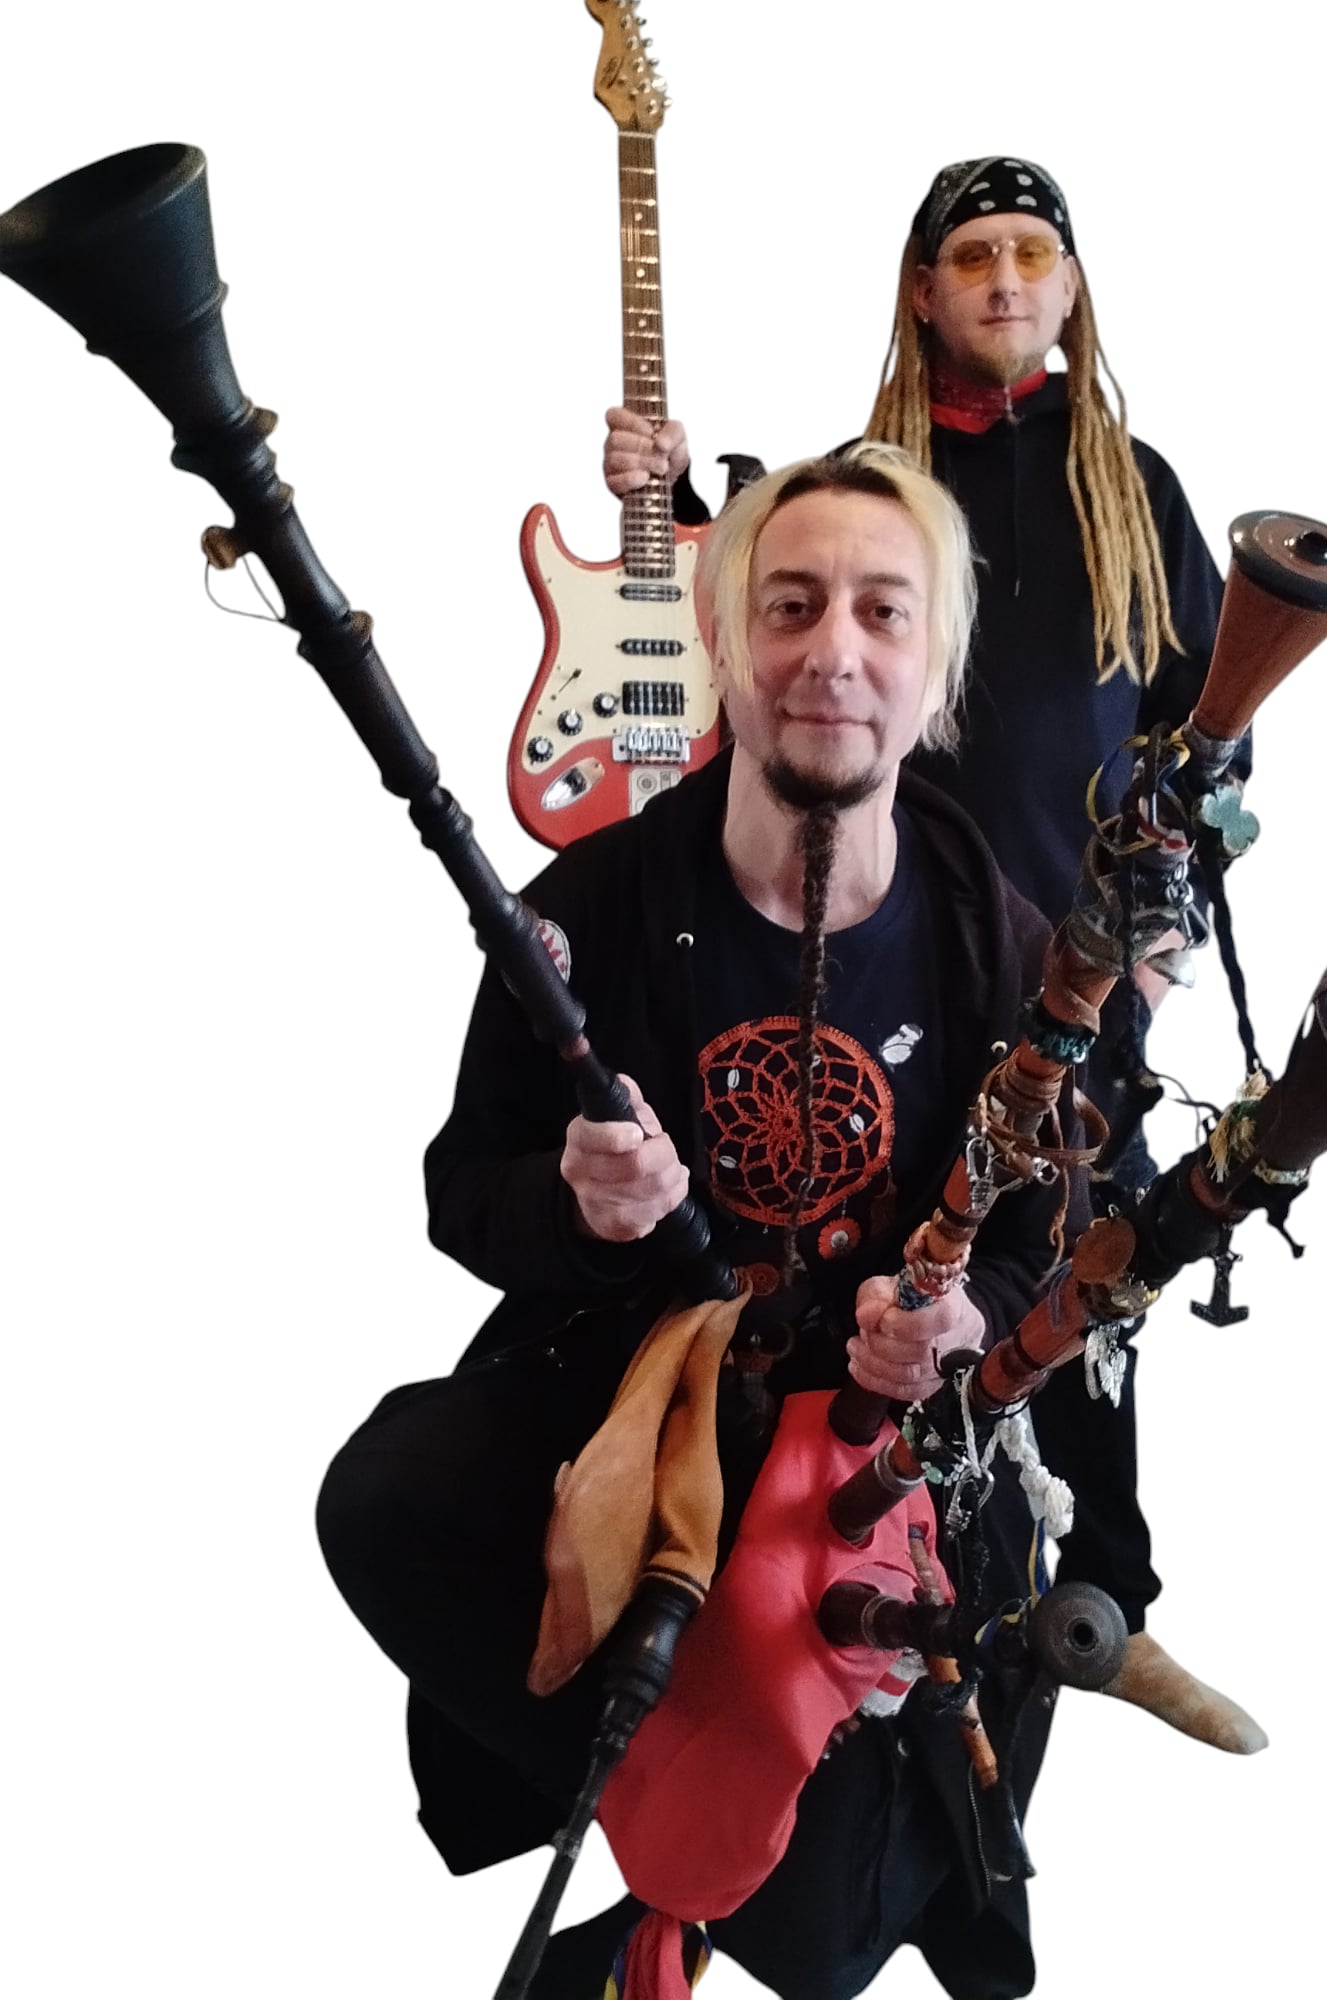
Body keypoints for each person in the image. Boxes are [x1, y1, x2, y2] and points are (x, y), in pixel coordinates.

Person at [318, 442, 1091, 2000]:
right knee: (388, 1500)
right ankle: (673, 1812)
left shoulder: (1001, 943)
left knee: (822, 1950)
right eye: (789, 606)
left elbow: (1044, 1234)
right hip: (641, 1378)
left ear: (935, 670)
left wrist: (964, 1321)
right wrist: (576, 1210)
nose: (833, 653)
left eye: (882, 612)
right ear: (725, 644)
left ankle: (721, 1858)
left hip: (866, 1441)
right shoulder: (586, 903)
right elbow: (464, 1188)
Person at [602, 155, 1263, 1755]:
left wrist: (1151, 955)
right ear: (923, 290)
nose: (1008, 279)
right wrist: (668, 501)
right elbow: (770, 624)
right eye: (974, 255)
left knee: (1083, 1279)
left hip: (1086, 972)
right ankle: (822, 1625)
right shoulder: (882, 489)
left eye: (1035, 252)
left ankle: (1103, 1606)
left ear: (1072, 284)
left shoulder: (1136, 490)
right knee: (872, 1280)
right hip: (912, 956)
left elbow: (1213, 734)